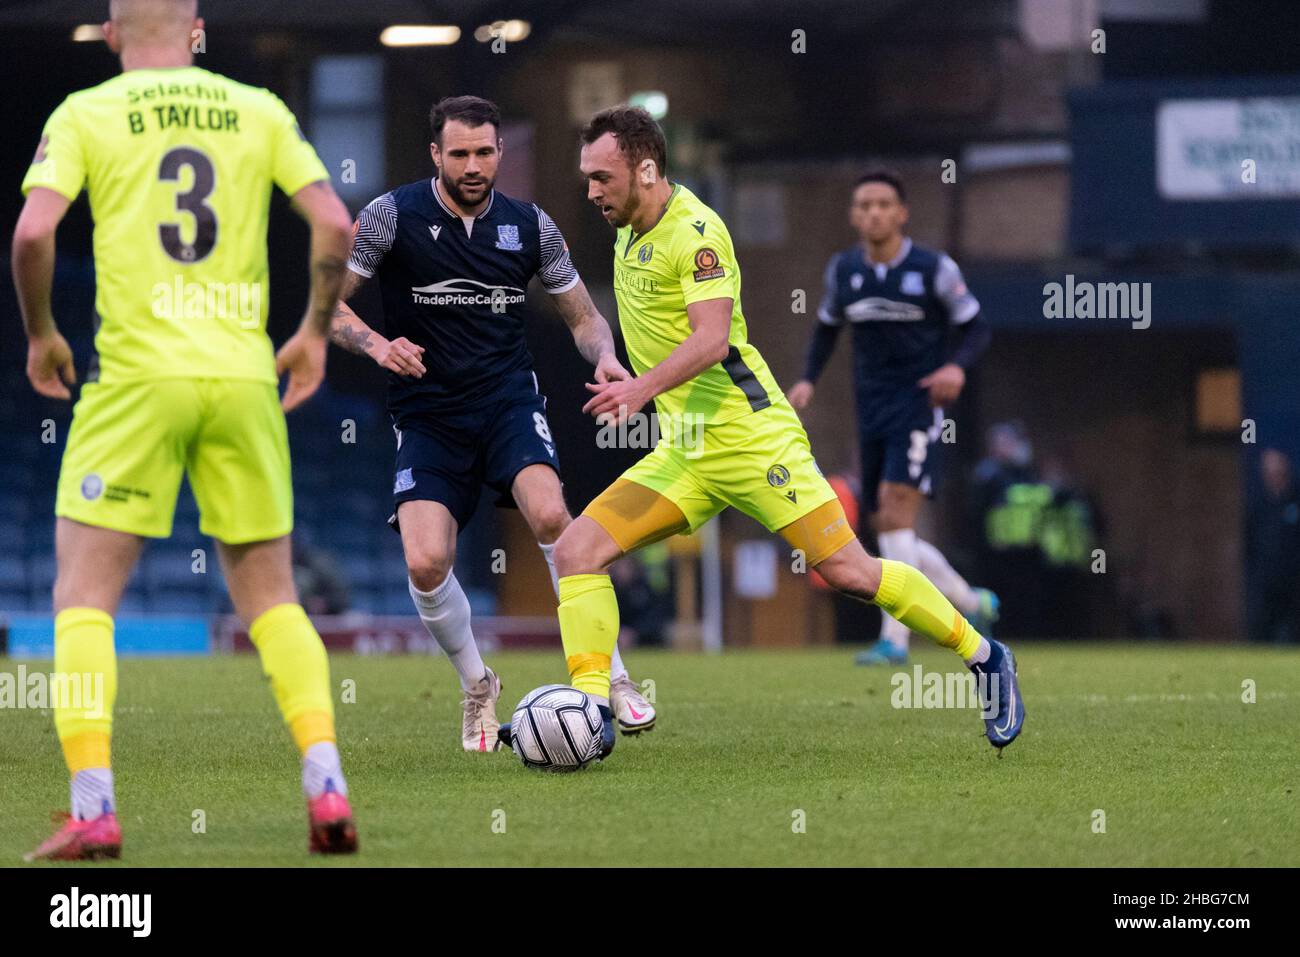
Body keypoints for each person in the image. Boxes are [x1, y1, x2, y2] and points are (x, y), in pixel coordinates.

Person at [501, 107, 1024, 756]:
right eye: (587, 178)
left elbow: (713, 340)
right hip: (685, 452)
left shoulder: (696, 233)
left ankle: (986, 656)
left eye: (602, 177)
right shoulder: (626, 228)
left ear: (646, 168)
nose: (591, 192)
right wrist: (615, 361)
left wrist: (639, 388)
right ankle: (590, 706)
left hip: (752, 440)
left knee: (851, 571)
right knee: (578, 551)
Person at [14, 0, 357, 859]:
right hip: (242, 378)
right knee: (273, 600)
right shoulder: (258, 109)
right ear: (198, 30)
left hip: (135, 379)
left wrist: (42, 332)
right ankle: (325, 788)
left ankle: (93, 805)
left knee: (84, 598)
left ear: (111, 34)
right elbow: (335, 224)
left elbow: (31, 233)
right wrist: (314, 331)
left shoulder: (87, 113)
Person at [330, 96, 656, 750]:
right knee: (425, 561)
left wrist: (610, 357)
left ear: (500, 152)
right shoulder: (391, 217)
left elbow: (585, 320)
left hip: (508, 402)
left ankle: (613, 676)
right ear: (435, 155)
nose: (474, 166)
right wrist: (378, 345)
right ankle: (478, 683)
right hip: (426, 412)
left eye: (484, 153)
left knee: (551, 518)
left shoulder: (532, 226)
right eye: (460, 154)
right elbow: (329, 309)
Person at [787, 169, 998, 665]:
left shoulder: (933, 269)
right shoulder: (843, 272)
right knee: (889, 526)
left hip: (919, 405)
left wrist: (954, 368)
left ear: (902, 213)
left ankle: (895, 640)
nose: (874, 212)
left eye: (884, 204)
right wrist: (807, 379)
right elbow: (825, 331)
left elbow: (976, 329)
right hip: (872, 408)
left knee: (896, 512)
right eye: (864, 205)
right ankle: (969, 600)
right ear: (854, 216)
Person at [1247, 448, 1300, 643]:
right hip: (1266, 578)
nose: (1272, 473)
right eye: (1268, 469)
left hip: (1294, 578)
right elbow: (1250, 540)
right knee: (1261, 628)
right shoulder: (1259, 504)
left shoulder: (1296, 498)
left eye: (1276, 468)